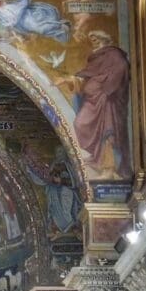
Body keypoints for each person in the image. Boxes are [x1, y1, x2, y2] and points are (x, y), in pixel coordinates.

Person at [54, 30, 131, 179]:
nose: (94, 42)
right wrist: (67, 80)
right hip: (92, 100)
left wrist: (108, 86)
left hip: (107, 101)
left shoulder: (113, 54)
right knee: (79, 124)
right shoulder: (96, 58)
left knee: (107, 131)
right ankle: (97, 158)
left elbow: (121, 67)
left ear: (105, 39)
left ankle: (108, 168)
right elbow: (86, 77)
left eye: (96, 39)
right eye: (92, 40)